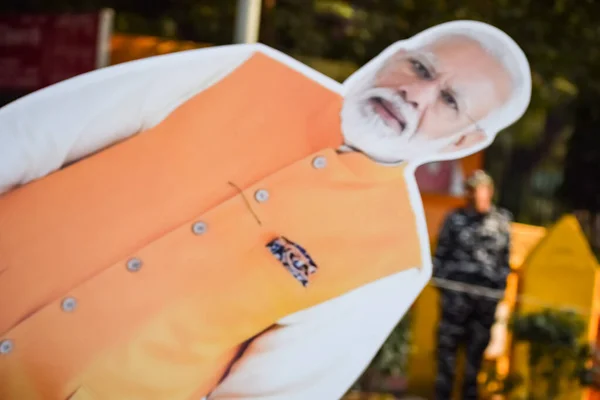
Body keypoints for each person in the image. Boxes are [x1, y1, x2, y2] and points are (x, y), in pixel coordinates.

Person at [0, 21, 530, 400]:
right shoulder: (243, 69)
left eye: (450, 102)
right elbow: (30, 138)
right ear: (394, 52)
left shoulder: (395, 262)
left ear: (468, 138)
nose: (415, 93)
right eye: (419, 66)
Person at [432, 170, 513, 400]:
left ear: (489, 191)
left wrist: (496, 293)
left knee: (475, 356)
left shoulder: (501, 222)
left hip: (484, 303)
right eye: (469, 190)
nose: (472, 194)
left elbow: (504, 261)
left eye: (477, 189)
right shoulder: (454, 219)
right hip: (455, 300)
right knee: (446, 353)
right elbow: (440, 255)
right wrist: (446, 287)